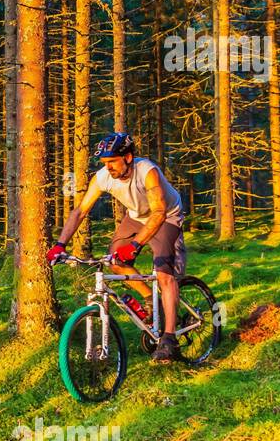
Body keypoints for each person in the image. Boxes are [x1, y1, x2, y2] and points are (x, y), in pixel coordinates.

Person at [46, 133, 187, 364]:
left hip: (166, 216)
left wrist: (135, 245)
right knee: (114, 261)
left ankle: (170, 340)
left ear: (128, 157)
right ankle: (152, 300)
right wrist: (60, 244)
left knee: (163, 274)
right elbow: (80, 211)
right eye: (104, 163)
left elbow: (159, 212)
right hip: (136, 217)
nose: (108, 167)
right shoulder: (103, 177)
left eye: (112, 161)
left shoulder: (147, 172)